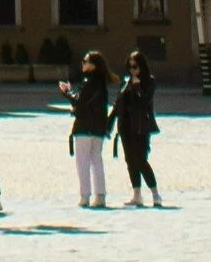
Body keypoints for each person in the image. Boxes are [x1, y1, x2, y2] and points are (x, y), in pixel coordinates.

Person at [58, 49, 113, 208]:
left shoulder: (90, 82)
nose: (83, 63)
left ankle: (85, 196)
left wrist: (67, 92)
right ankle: (100, 195)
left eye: (85, 61)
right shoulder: (101, 83)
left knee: (82, 162)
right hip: (98, 127)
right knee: (97, 160)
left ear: (93, 65)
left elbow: (80, 102)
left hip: (84, 127)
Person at [111, 50, 162, 207]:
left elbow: (145, 102)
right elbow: (118, 104)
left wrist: (137, 86)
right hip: (125, 127)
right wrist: (110, 122)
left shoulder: (149, 82)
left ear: (142, 67)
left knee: (141, 160)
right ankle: (137, 194)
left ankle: (155, 194)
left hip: (140, 127)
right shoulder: (126, 82)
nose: (132, 70)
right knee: (130, 160)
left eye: (135, 67)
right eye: (130, 67)